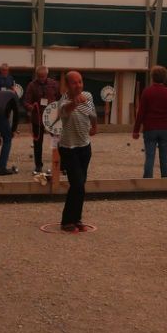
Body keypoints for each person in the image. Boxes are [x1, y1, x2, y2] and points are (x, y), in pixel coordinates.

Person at [58, 71, 97, 233]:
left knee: (80, 185)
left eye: (80, 81)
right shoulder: (63, 102)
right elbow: (66, 110)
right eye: (74, 83)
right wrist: (75, 102)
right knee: (77, 184)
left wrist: (94, 127)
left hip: (85, 147)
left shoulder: (88, 96)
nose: (78, 85)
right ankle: (67, 221)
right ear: (67, 85)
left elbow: (92, 113)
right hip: (69, 148)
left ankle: (76, 219)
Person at [132, 66, 167, 178]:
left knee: (150, 157)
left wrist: (136, 130)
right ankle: (166, 181)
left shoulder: (147, 92)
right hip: (165, 129)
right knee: (164, 158)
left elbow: (141, 113)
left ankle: (147, 181)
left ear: (152, 77)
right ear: (165, 78)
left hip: (150, 129)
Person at [24, 65, 61, 174]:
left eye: (43, 76)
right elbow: (26, 101)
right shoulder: (31, 85)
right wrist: (31, 107)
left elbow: (59, 98)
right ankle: (38, 166)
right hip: (38, 118)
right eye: (39, 76)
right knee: (37, 143)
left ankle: (58, 165)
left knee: (56, 141)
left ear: (47, 75)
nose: (41, 79)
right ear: (36, 75)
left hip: (52, 118)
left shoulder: (54, 84)